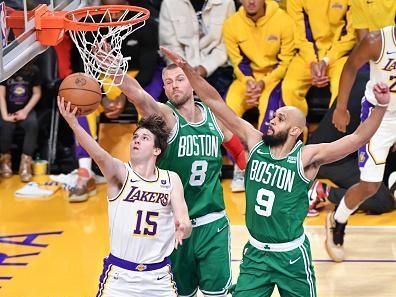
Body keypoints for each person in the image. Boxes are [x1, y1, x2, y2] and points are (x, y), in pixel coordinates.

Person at [160, 46, 390, 297]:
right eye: (274, 116)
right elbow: (215, 101)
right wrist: (189, 72)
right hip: (256, 255)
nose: (271, 119)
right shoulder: (255, 141)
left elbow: (357, 138)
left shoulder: (306, 157)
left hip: (291, 257)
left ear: (294, 131)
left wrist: (381, 107)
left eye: (280, 118)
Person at [97, 42, 247, 296]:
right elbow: (138, 94)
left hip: (213, 224)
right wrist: (115, 68)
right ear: (164, 89)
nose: (175, 84)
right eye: (168, 82)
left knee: (218, 293)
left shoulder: (214, 117)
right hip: (176, 226)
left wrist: (250, 173)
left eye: (180, 78)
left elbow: (237, 148)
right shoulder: (166, 117)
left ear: (192, 82)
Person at [57, 98, 192, 297]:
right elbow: (99, 155)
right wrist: (74, 124)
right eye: (135, 136)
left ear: (157, 150)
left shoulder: (171, 179)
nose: (136, 140)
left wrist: (185, 228)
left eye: (145, 138)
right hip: (120, 277)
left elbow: (183, 219)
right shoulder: (120, 173)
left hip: (158, 278)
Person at [325, 25, 396, 262]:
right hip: (379, 116)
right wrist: (341, 107)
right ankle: (338, 219)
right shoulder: (377, 41)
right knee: (370, 187)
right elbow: (351, 66)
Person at [222, 0, 295, 134]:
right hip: (245, 79)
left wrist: (264, 82)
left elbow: (285, 61)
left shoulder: (284, 21)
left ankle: (264, 154)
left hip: (274, 79)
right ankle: (240, 155)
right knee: (227, 110)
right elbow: (237, 62)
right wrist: (249, 82)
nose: (250, 1)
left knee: (269, 122)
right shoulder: (231, 25)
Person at [283, 0, 356, 115]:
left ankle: (333, 131)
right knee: (289, 88)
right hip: (306, 55)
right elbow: (299, 36)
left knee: (341, 86)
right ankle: (297, 131)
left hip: (339, 55)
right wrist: (312, 62)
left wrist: (326, 60)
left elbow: (350, 35)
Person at [0, 62, 41, 182]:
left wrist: (25, 111)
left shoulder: (33, 70)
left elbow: (37, 93)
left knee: (32, 124)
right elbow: (1, 95)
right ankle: (5, 161)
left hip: (25, 110)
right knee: (5, 126)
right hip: (7, 110)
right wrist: (4, 115)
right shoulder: (4, 69)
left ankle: (25, 164)